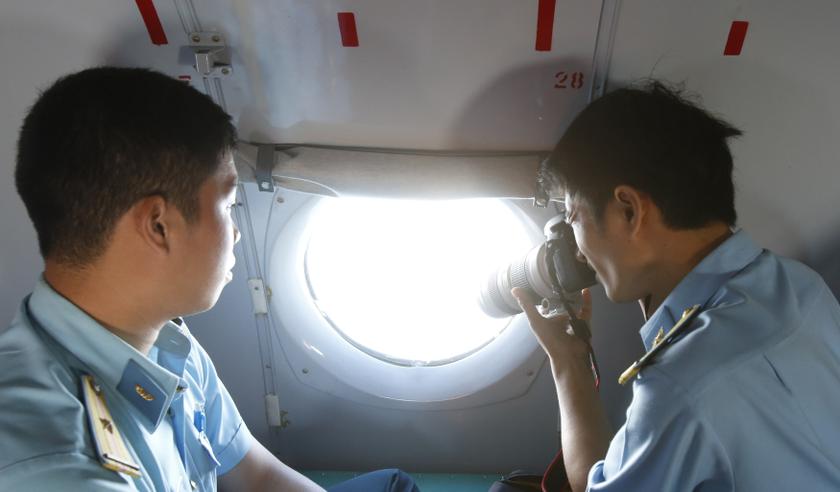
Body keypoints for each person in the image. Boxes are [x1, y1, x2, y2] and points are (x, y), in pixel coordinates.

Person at [0, 67, 418, 492]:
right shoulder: (59, 466)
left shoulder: (161, 340)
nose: (236, 232)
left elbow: (257, 474)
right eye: (229, 204)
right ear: (159, 226)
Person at [512, 81, 840, 491]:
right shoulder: (802, 286)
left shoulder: (680, 386)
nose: (577, 252)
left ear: (628, 210)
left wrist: (566, 364)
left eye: (573, 216)